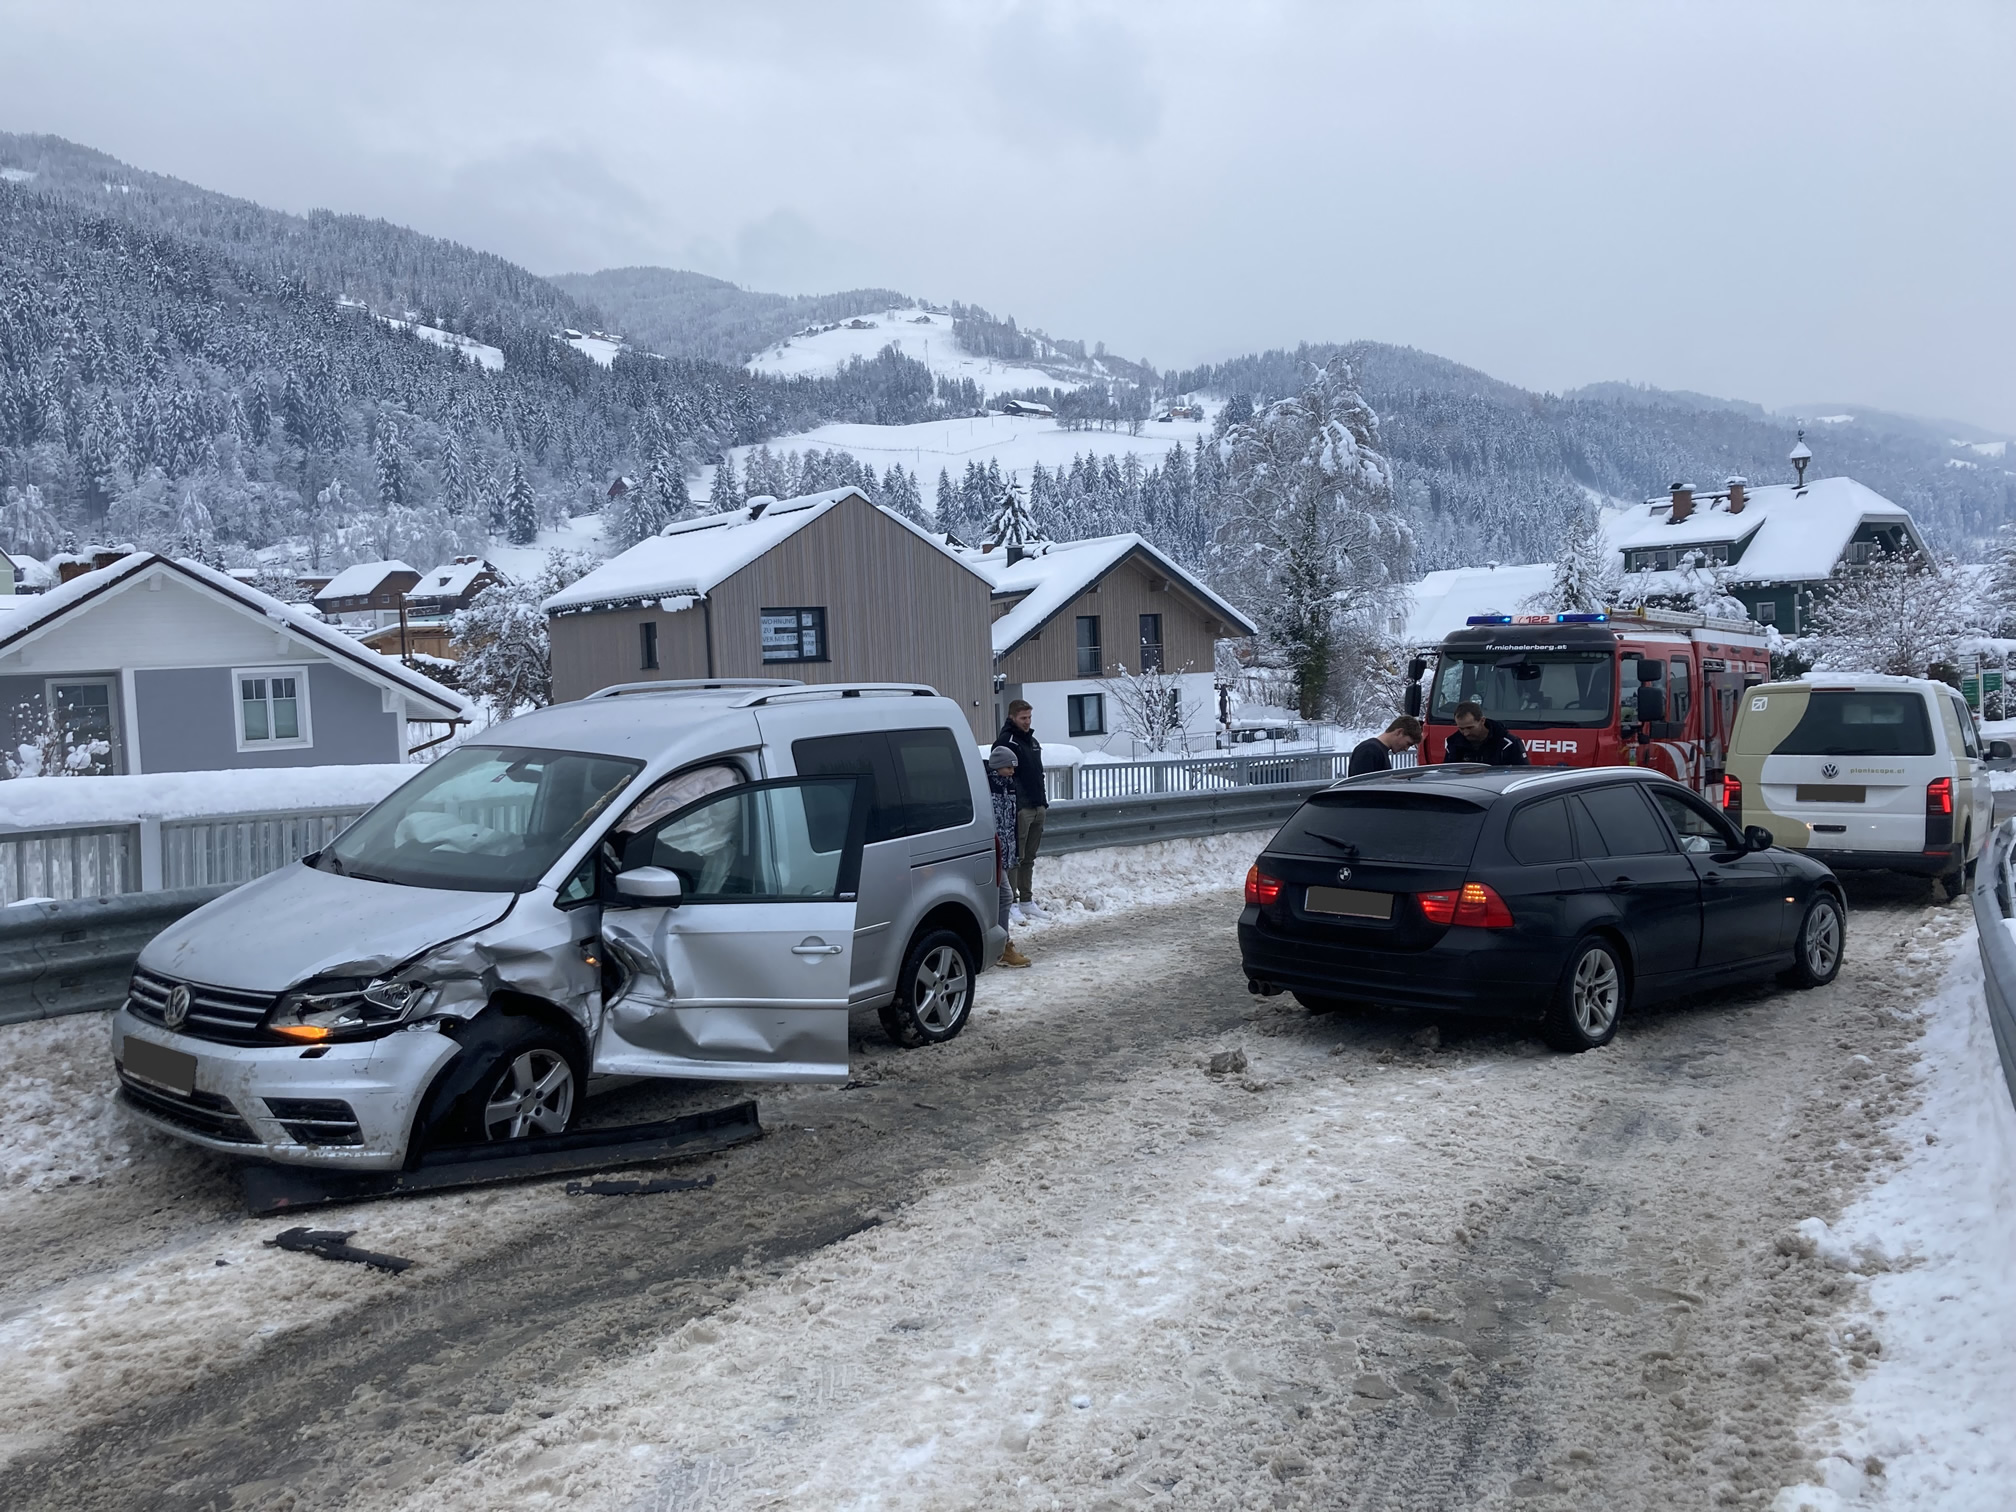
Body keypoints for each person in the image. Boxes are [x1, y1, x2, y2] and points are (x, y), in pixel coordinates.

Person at [996, 699, 1047, 911]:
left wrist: (1042, 802)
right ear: (1012, 717)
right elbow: (1002, 774)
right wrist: (1014, 803)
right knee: (1016, 856)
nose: (1027, 722)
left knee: (1030, 857)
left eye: (1029, 717)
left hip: (1037, 805)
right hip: (1020, 808)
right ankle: (1013, 903)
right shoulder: (1006, 741)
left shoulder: (1032, 742)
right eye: (1023, 718)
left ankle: (1027, 899)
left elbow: (1038, 773)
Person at [987, 745, 1030, 967]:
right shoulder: (988, 787)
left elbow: (1011, 823)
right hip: (991, 852)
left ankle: (999, 945)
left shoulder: (1009, 787)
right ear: (997, 766)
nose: (1012, 771)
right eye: (1008, 767)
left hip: (1003, 852)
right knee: (1004, 897)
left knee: (1000, 898)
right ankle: (1001, 946)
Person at [1444, 700, 1529, 766]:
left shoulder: (1508, 744)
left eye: (1470, 728)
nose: (1466, 733)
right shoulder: (1453, 744)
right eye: (1461, 729)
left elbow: (1522, 775)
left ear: (1482, 721)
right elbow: (1448, 777)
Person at [1349, 716, 1423, 776]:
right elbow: (1362, 788)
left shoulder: (1377, 750)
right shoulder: (1369, 750)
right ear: (1399, 732)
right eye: (1408, 743)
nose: (1406, 749)